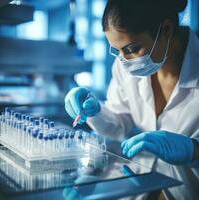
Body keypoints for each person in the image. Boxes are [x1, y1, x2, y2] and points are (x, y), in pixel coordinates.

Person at [65, 0, 199, 199]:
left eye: (132, 49)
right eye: (117, 50)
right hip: (140, 187)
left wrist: (194, 151)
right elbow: (119, 125)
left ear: (166, 30)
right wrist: (95, 111)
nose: (124, 60)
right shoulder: (125, 67)